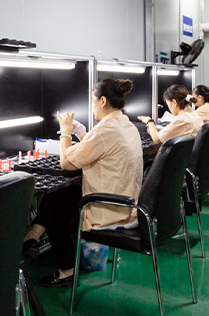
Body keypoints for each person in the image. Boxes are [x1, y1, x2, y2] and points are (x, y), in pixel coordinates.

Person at [23, 78, 143, 288]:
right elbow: (100, 148)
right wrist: (82, 133)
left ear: (102, 101)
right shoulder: (126, 125)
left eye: (93, 101)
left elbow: (66, 162)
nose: (92, 106)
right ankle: (32, 237)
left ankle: (67, 270)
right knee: (58, 195)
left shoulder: (105, 131)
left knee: (58, 214)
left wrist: (66, 132)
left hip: (109, 209)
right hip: (125, 201)